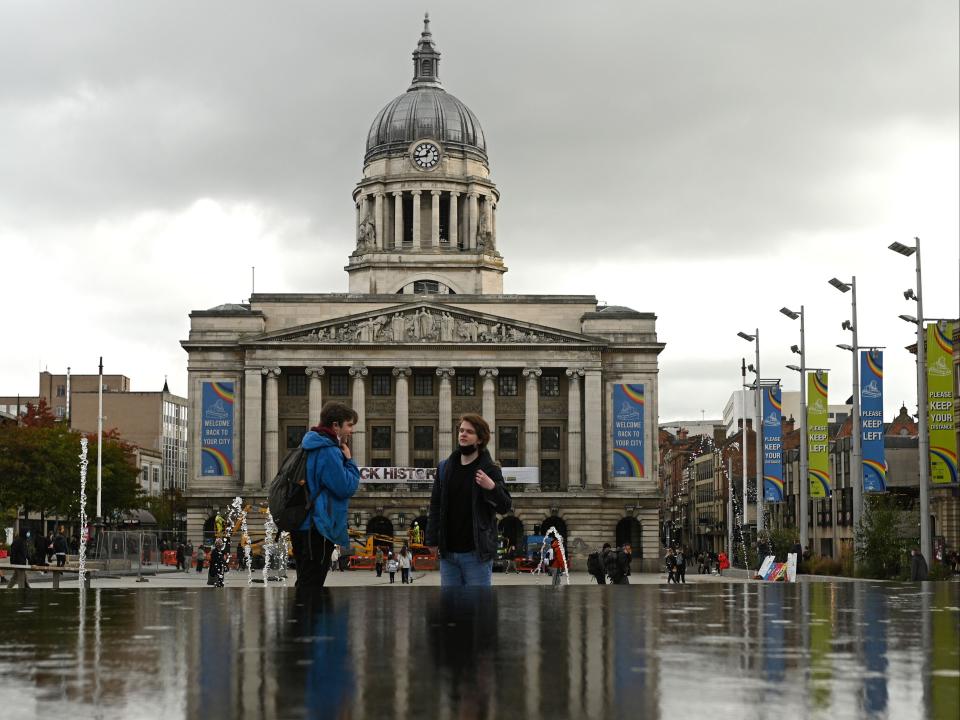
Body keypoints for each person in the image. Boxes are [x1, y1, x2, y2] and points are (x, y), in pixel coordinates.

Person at [426, 413, 512, 587]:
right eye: (461, 430)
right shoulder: (444, 468)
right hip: (448, 554)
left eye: (469, 432)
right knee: (450, 610)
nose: (463, 434)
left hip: (476, 554)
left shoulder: (490, 469)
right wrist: (432, 540)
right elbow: (435, 506)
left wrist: (492, 487)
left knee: (478, 610)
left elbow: (505, 506)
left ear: (480, 439)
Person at [291, 401, 361, 589]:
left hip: (302, 524)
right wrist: (349, 461)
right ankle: (307, 617)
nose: (351, 431)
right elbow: (345, 487)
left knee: (305, 579)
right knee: (312, 583)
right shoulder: (328, 450)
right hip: (319, 526)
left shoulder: (308, 444)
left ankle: (301, 617)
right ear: (335, 425)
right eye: (349, 425)